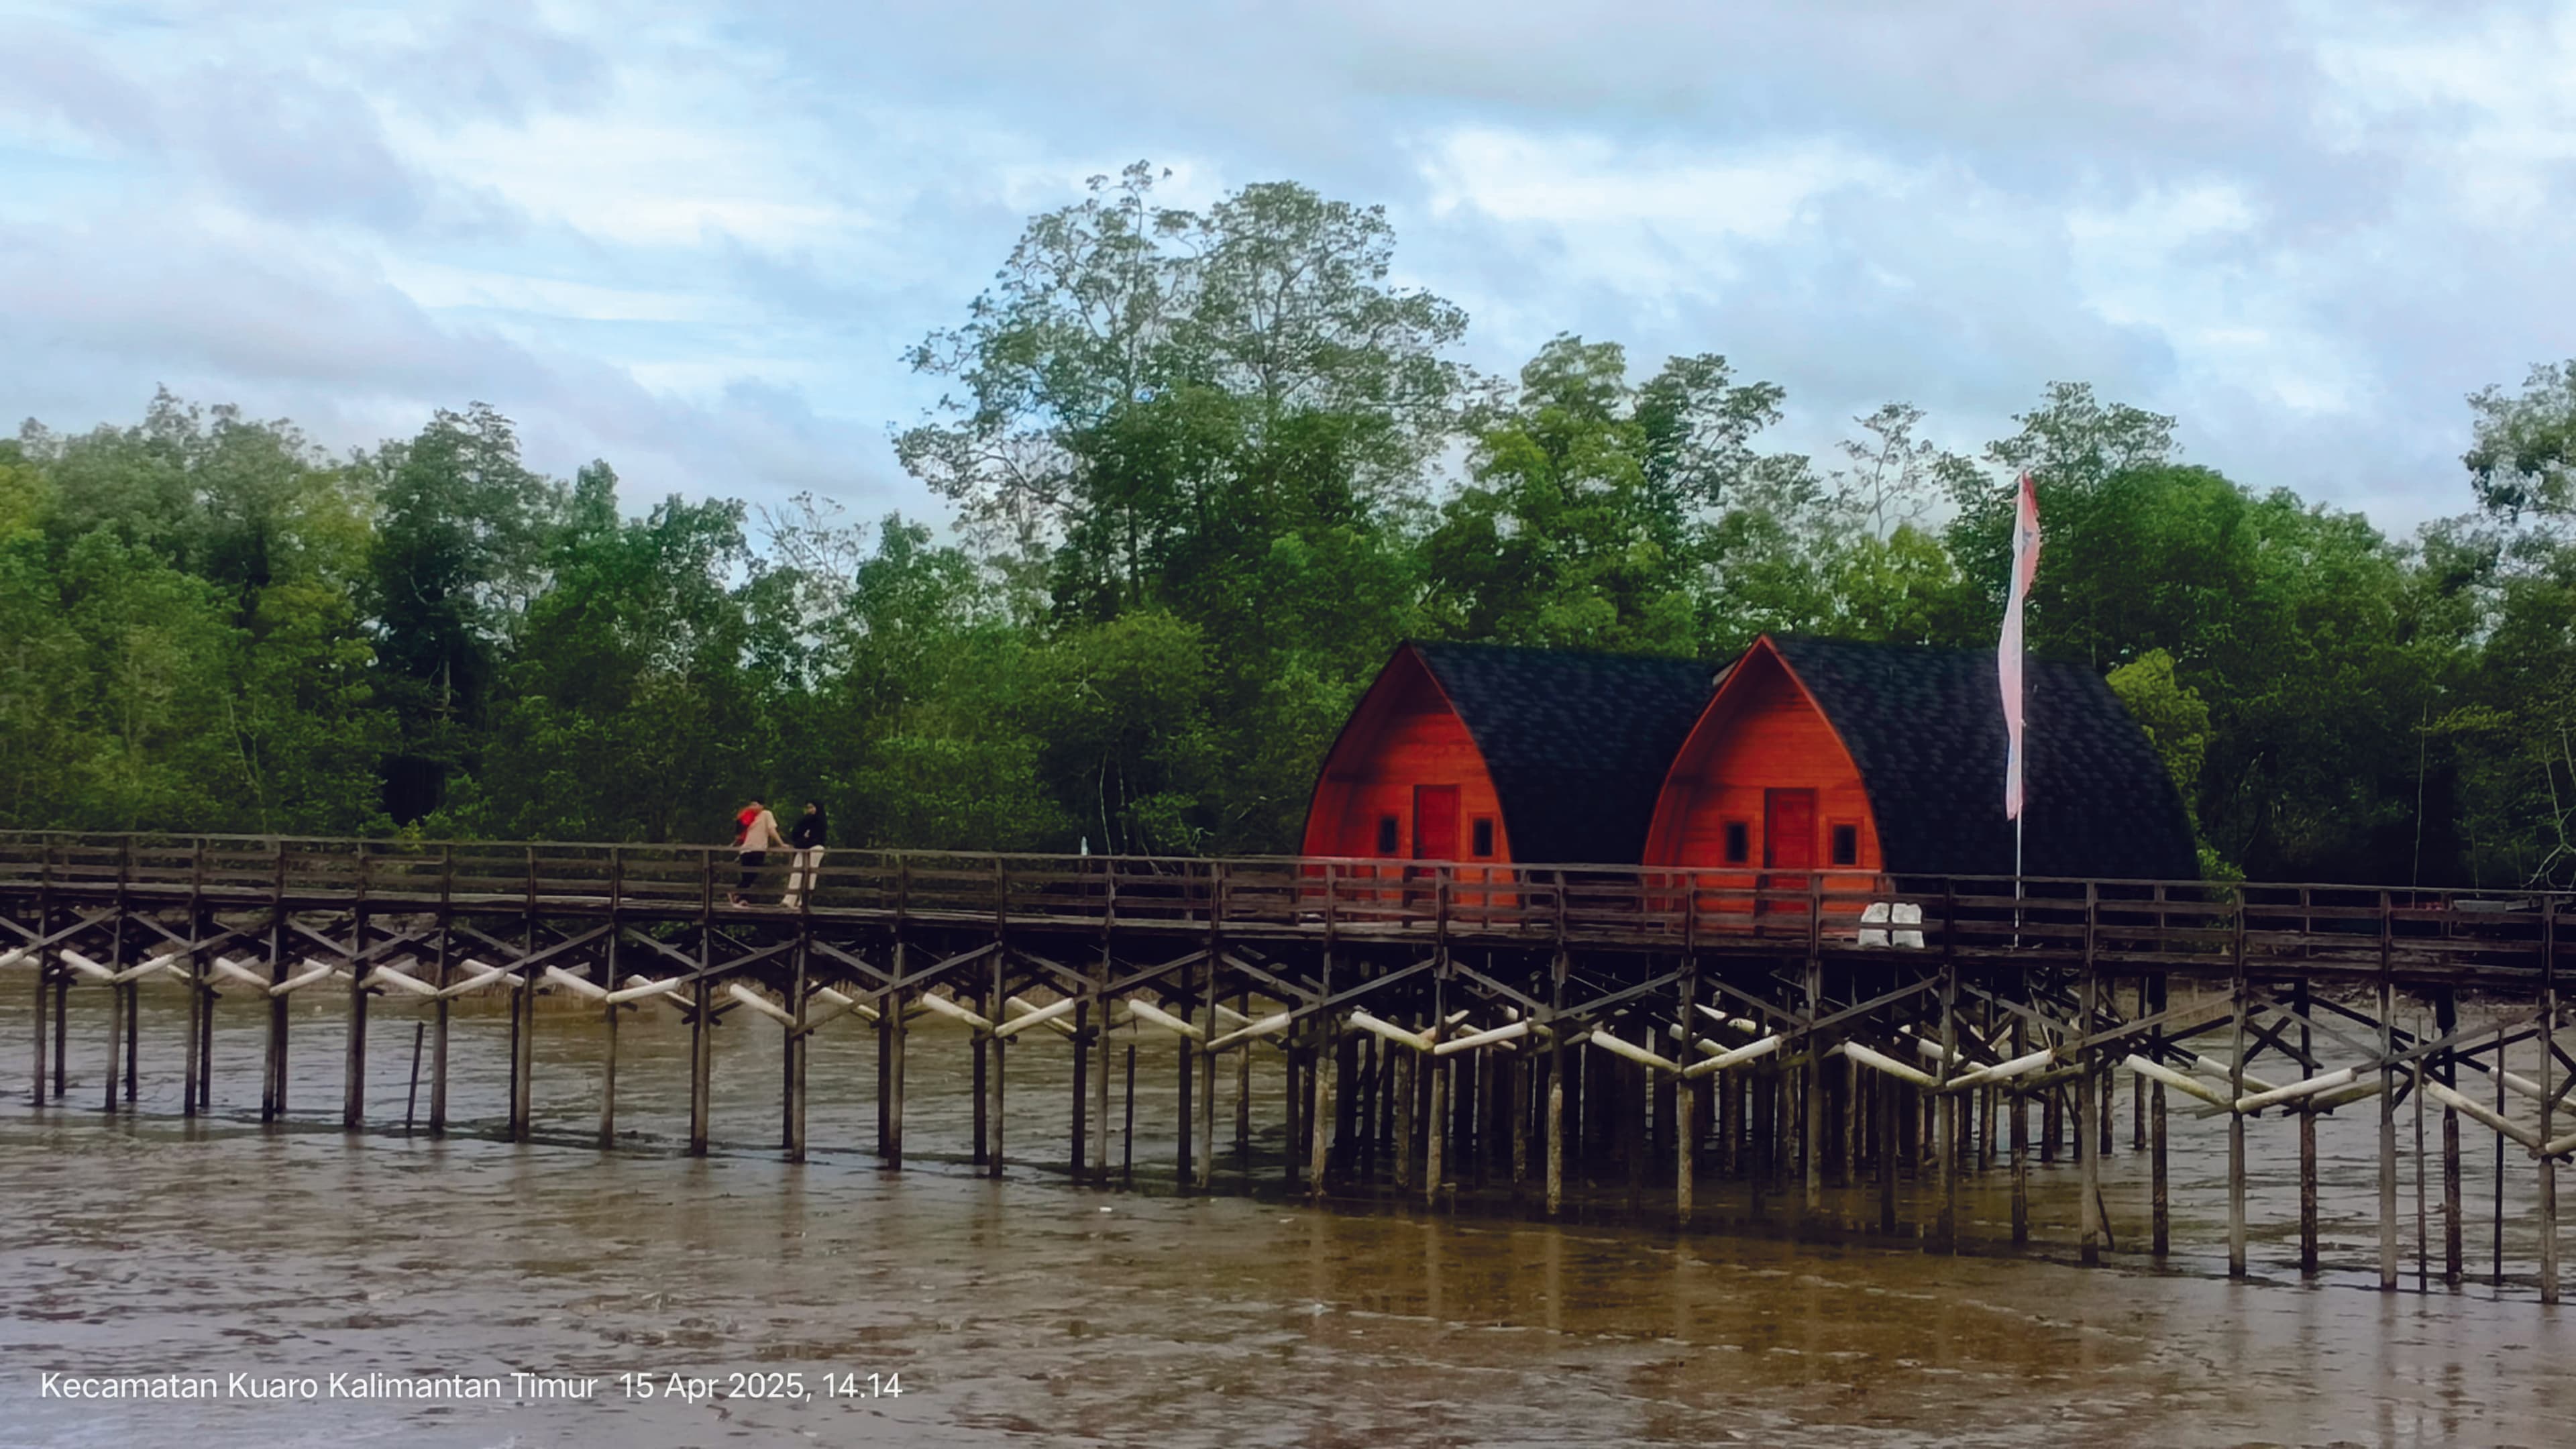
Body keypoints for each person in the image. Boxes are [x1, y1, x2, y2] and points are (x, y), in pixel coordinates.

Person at [729, 798, 784, 908]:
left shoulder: (766, 814)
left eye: (756, 805)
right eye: (752, 805)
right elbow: (741, 832)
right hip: (747, 849)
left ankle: (739, 896)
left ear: (762, 806)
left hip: (758, 848)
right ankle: (738, 896)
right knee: (747, 875)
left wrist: (781, 843)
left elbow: (771, 830)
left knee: (753, 874)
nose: (753, 807)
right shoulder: (748, 816)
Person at [782, 800, 829, 910]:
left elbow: (817, 838)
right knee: (796, 872)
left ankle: (804, 901)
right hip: (803, 848)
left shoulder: (820, 821)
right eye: (808, 808)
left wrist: (804, 839)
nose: (810, 810)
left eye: (812, 808)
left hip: (815, 848)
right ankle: (789, 900)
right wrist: (803, 839)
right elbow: (795, 834)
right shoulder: (805, 820)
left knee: (811, 873)